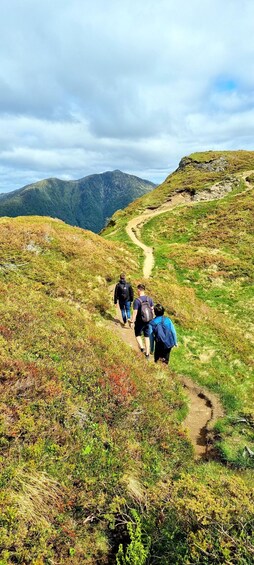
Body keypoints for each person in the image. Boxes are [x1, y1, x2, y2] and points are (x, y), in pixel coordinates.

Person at [130, 284, 154, 359]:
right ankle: (147, 354)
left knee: (137, 334)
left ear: (139, 290)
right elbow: (152, 310)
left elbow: (135, 313)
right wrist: (152, 319)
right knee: (147, 337)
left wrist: (132, 322)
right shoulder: (149, 299)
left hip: (139, 322)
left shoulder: (137, 301)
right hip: (148, 321)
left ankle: (142, 347)